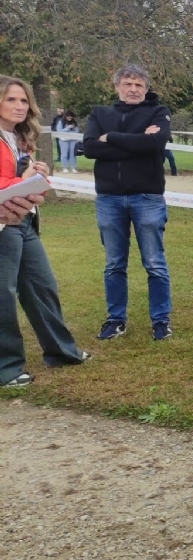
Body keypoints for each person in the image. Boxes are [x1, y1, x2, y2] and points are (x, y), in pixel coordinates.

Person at [1, 77, 90, 387]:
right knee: (3, 295)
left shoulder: (20, 138)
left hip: (24, 222)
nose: (20, 106)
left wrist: (38, 175)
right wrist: (24, 179)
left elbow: (25, 184)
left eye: (24, 101)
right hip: (3, 224)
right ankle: (7, 368)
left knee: (42, 286)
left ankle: (62, 351)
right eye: (11, 99)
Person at [82, 64, 174, 341]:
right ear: (117, 87)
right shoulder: (100, 113)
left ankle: (160, 320)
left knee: (154, 262)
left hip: (147, 197)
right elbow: (89, 148)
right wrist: (136, 142)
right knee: (114, 264)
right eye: (128, 83)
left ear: (146, 89)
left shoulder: (158, 112)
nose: (133, 89)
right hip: (109, 198)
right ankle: (115, 319)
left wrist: (110, 137)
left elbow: (155, 144)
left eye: (139, 85)